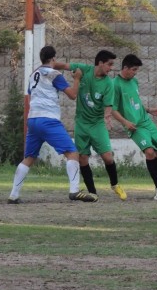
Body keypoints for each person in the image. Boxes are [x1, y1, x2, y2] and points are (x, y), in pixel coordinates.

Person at [8, 45, 98, 203]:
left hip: (33, 119)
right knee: (72, 153)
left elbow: (30, 95)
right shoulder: (55, 74)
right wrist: (77, 78)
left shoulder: (33, 74)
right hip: (48, 119)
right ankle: (74, 191)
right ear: (53, 59)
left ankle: (14, 195)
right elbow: (72, 95)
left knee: (28, 157)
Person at [53, 50, 127, 201]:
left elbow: (108, 105)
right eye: (109, 64)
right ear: (100, 63)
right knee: (83, 158)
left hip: (97, 123)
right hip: (81, 123)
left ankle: (115, 184)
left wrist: (107, 117)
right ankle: (93, 192)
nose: (111, 68)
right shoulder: (84, 70)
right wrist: (48, 65)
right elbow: (65, 65)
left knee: (107, 157)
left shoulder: (108, 83)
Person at [111, 54, 157, 200]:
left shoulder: (134, 82)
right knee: (150, 152)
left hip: (146, 121)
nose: (135, 72)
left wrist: (149, 110)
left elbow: (135, 102)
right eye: (133, 69)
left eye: (136, 70)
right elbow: (113, 110)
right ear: (125, 68)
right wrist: (125, 122)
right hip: (134, 126)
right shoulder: (115, 84)